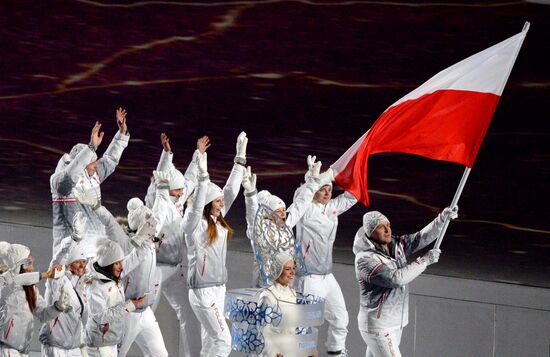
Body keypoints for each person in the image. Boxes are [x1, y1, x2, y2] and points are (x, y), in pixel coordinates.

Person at [73, 186, 167, 357]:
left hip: (145, 312)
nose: (154, 227)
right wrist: (95, 204)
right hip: (127, 312)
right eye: (150, 224)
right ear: (140, 226)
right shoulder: (124, 243)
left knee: (160, 354)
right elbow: (109, 221)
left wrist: (163, 188)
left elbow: (160, 211)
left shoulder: (150, 239)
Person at [353, 207, 458, 357]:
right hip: (379, 326)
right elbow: (395, 278)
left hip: (396, 323)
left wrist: (442, 220)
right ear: (370, 233)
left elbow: (420, 238)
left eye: (388, 225)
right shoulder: (364, 259)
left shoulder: (396, 245)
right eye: (380, 227)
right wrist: (424, 261)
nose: (387, 230)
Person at [184, 132, 246, 357]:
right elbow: (197, 204)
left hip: (219, 288)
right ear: (208, 202)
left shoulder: (217, 221)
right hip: (202, 292)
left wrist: (239, 159)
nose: (222, 204)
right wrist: (202, 180)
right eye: (217, 201)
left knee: (211, 342)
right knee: (223, 341)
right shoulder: (193, 225)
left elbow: (230, 191)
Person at [147, 133, 209, 357]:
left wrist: (198, 153)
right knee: (142, 313)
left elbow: (190, 178)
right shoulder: (159, 202)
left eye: (182, 192)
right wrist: (165, 155)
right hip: (156, 268)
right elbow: (161, 176)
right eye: (177, 193)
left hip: (176, 269)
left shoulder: (178, 195)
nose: (181, 196)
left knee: (190, 315)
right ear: (165, 190)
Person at [294, 166, 357, 356]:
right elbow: (301, 197)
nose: (328, 192)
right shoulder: (304, 208)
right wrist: (313, 180)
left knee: (341, 319)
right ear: (313, 189)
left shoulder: (332, 208)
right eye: (323, 188)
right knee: (307, 324)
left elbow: (353, 196)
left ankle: (336, 352)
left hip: (327, 277)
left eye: (330, 188)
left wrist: (360, 164)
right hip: (309, 278)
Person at [50, 108, 130, 258]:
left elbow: (110, 159)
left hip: (95, 252)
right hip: (71, 256)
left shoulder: (93, 175)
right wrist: (91, 146)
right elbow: (70, 174)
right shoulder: (60, 183)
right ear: (81, 163)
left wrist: (122, 133)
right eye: (92, 162)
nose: (96, 165)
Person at [241, 156, 322, 287]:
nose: (283, 213)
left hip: (286, 281)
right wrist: (250, 195)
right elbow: (252, 216)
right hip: (266, 284)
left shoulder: (286, 224)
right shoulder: (259, 230)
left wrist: (313, 182)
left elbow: (300, 205)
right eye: (278, 211)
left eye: (283, 209)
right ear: (269, 214)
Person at [0, 242, 70, 357]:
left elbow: (43, 314)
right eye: (28, 261)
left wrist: (58, 307)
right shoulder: (5, 285)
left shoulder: (31, 288)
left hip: (22, 351)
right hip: (5, 350)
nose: (32, 264)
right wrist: (46, 274)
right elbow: (16, 280)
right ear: (18, 265)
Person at [84, 239, 146, 357]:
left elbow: (135, 258)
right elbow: (100, 316)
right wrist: (130, 305)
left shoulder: (113, 275)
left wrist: (145, 240)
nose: (121, 266)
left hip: (110, 342)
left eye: (121, 262)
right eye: (117, 263)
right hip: (99, 346)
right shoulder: (95, 285)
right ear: (108, 264)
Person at [40, 212, 90, 357]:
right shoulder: (58, 280)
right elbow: (57, 261)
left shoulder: (81, 286)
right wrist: (74, 239)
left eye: (84, 261)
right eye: (78, 261)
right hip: (57, 347)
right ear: (68, 264)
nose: (82, 265)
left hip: (73, 347)